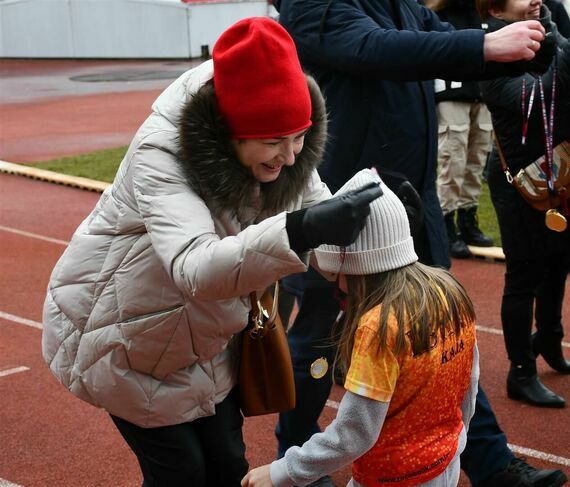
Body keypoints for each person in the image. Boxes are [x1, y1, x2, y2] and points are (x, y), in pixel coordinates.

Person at [40, 17, 383, 487]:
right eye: (272, 143)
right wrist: (299, 230)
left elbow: (318, 207)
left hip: (203, 337)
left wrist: (377, 213)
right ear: (230, 133)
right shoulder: (160, 154)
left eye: (299, 137)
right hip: (120, 336)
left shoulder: (283, 138)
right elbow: (194, 266)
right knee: (181, 474)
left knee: (226, 467)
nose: (289, 157)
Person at [273, 1, 567, 486]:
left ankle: (492, 465)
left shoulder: (401, 2)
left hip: (412, 197)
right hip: (347, 204)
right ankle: (295, 458)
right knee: (319, 338)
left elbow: (439, 39)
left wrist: (527, 45)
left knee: (444, 323)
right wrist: (487, 43)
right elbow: (374, 48)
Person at [243, 169, 480, 487]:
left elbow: (355, 433)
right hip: (444, 462)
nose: (335, 284)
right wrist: (455, 439)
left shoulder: (378, 328)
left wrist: (283, 471)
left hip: (387, 477)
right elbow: (469, 384)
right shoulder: (448, 291)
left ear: (354, 265)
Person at [478, 0, 570, 408]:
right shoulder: (488, 53)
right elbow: (540, 93)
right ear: (496, 8)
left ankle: (548, 338)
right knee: (524, 273)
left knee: (559, 260)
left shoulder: (550, 32)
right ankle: (521, 372)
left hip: (559, 173)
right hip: (517, 181)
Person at [430, 0, 495, 259]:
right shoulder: (440, 9)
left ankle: (468, 220)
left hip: (482, 88)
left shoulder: (482, 8)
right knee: (453, 158)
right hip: (451, 88)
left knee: (476, 159)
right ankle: (446, 225)